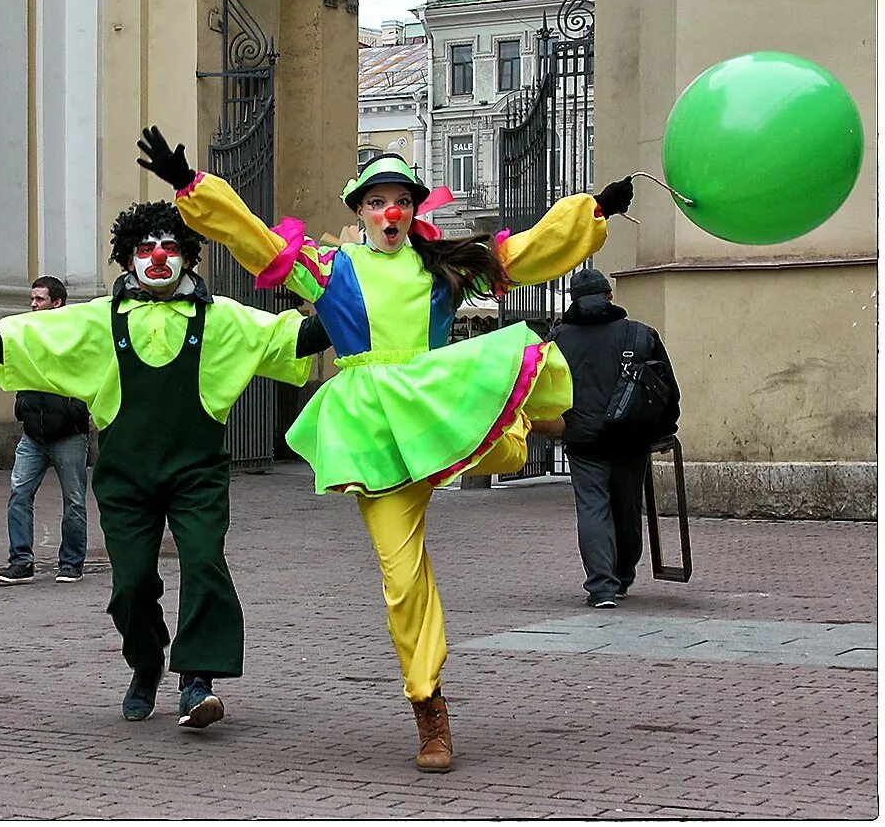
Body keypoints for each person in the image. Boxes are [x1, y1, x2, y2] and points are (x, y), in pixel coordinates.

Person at [140, 124, 633, 772]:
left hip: (433, 410)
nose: (390, 211)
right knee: (403, 578)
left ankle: (521, 427)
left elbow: (525, 254)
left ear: (414, 209)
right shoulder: (332, 269)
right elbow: (253, 239)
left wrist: (592, 210)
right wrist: (190, 187)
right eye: (376, 201)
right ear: (360, 213)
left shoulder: (444, 268)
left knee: (531, 356)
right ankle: (429, 704)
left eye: (399, 199)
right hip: (375, 431)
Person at [0, 201, 330, 731]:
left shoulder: (218, 318)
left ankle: (197, 680)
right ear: (128, 258)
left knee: (203, 564)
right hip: (126, 475)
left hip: (196, 471)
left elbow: (284, 338)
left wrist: (340, 307)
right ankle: (146, 662)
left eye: (170, 247)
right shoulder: (101, 320)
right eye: (146, 248)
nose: (158, 256)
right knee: (130, 584)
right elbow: (42, 339)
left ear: (188, 258)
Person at [548, 268, 681, 608]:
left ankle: (602, 588)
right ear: (609, 297)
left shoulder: (557, 340)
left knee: (592, 509)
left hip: (581, 440)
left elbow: (543, 392)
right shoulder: (639, 335)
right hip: (630, 438)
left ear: (574, 302)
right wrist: (664, 430)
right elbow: (667, 389)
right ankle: (622, 575)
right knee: (626, 507)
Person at [0, 276, 92, 586]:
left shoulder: (75, 334)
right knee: (19, 493)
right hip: (33, 434)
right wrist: (23, 407)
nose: (33, 304)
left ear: (57, 302)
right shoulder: (27, 332)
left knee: (74, 500)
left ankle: (71, 563)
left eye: (40, 299)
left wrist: (76, 409)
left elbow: (89, 372)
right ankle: (21, 561)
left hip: (69, 434)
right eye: (32, 299)